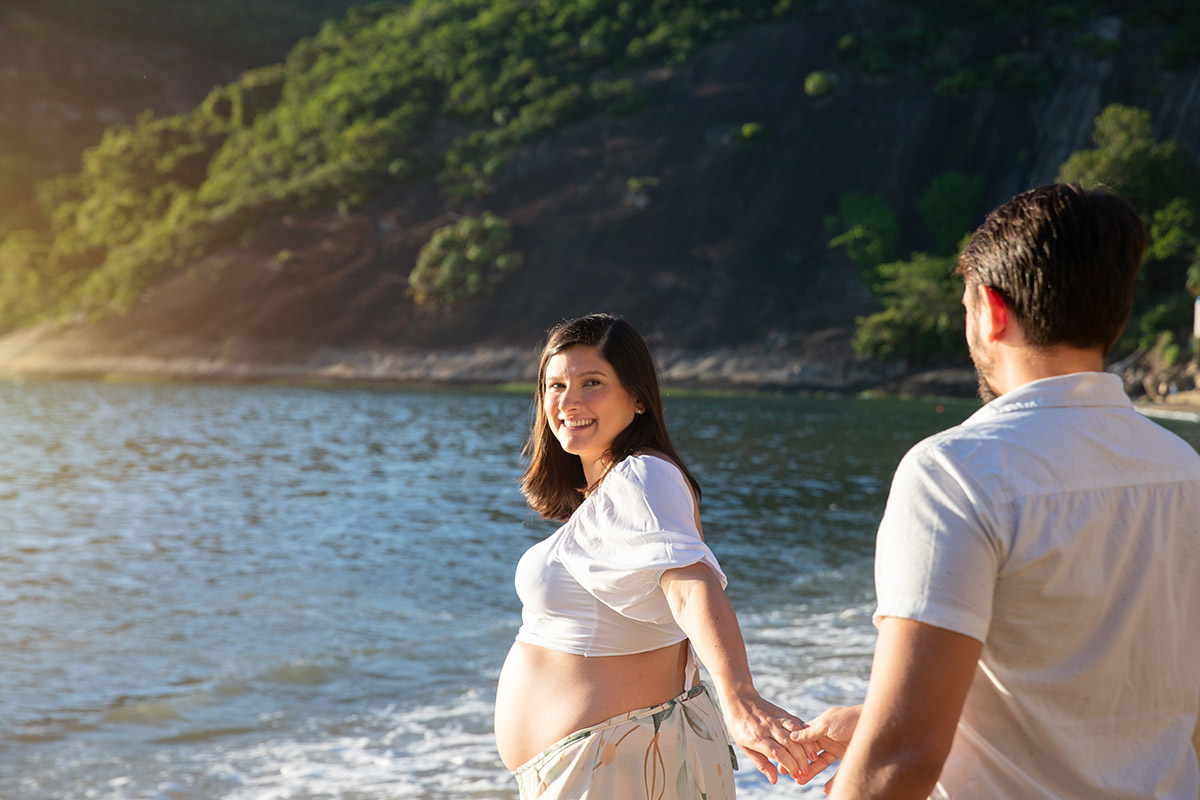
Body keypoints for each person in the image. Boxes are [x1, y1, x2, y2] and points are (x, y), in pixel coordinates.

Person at [791, 183, 1200, 798]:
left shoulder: (956, 472)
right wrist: (871, 721)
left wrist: (881, 737)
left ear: (990, 309)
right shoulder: (1183, 469)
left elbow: (903, 754)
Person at [494, 313, 813, 798]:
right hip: (606, 765)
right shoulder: (614, 493)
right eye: (555, 385)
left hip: (617, 768)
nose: (569, 400)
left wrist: (739, 697)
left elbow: (689, 587)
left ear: (638, 398)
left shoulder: (643, 476)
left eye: (592, 382)